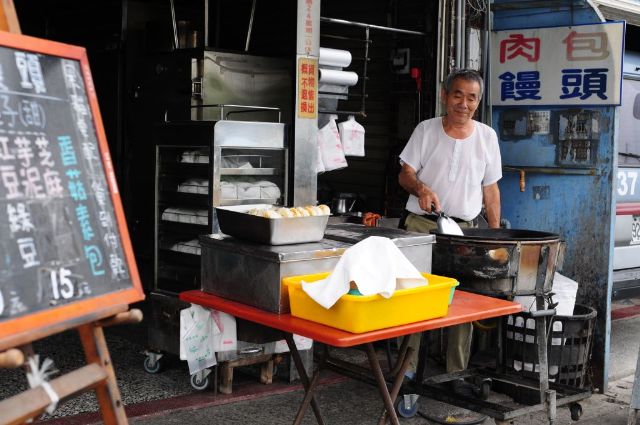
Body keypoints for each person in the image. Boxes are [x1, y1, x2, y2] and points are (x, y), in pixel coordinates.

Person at [397, 68, 502, 394]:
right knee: (416, 298)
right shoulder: (426, 130)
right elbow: (405, 174)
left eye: (471, 97)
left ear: (478, 102)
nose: (464, 103)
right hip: (421, 227)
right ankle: (407, 371)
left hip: (465, 231)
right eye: (458, 95)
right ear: (445, 96)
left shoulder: (487, 137)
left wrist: (494, 235)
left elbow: (491, 190)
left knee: (463, 301)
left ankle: (456, 373)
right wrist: (421, 188)